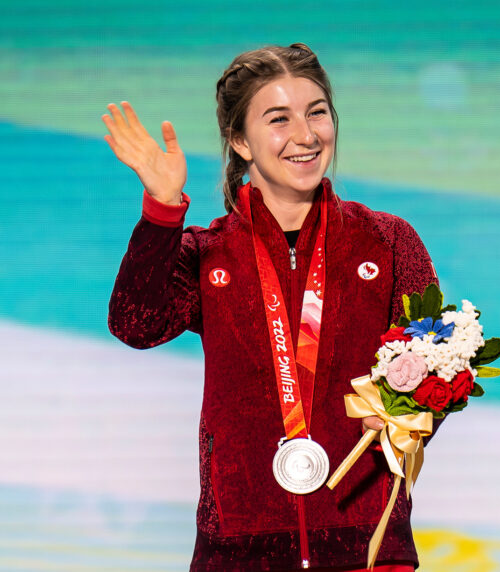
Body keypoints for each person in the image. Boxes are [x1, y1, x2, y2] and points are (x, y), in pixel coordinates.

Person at [103, 43, 438, 572]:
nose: (305, 136)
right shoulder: (207, 252)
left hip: (367, 539)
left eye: (317, 113)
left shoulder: (387, 241)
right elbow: (135, 325)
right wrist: (163, 210)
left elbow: (439, 365)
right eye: (278, 119)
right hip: (238, 546)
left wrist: (405, 419)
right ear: (240, 140)